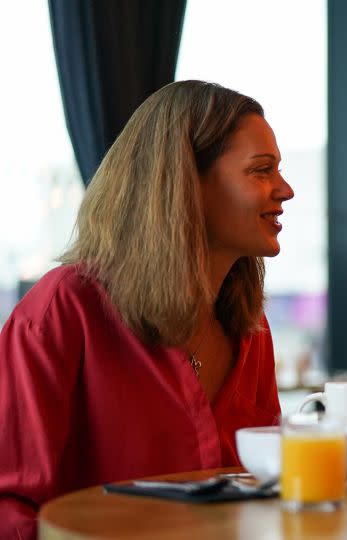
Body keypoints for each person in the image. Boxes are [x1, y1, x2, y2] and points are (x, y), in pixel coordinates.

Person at [0, 80, 294, 537]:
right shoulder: (64, 309)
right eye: (261, 170)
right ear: (183, 183)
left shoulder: (250, 329)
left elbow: (262, 490)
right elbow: (9, 506)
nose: (286, 189)